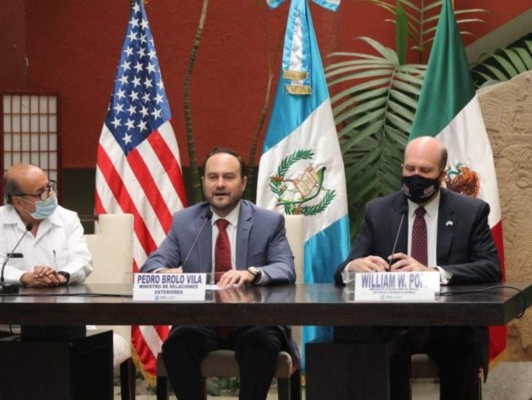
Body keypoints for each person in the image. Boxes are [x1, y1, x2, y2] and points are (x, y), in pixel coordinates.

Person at [335, 136, 501, 400]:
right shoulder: (378, 211)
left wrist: (434, 273)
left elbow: (490, 268)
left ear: (442, 175)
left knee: (465, 347)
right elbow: (343, 270)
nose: (415, 176)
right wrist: (353, 266)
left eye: (425, 170)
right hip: (392, 321)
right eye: (409, 168)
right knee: (363, 341)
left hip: (449, 323)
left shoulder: (470, 212)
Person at [141, 147, 298, 400]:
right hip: (200, 320)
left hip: (253, 320)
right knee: (177, 346)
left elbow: (285, 267)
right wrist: (165, 272)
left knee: (260, 344)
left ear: (243, 183)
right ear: (204, 182)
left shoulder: (268, 222)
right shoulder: (185, 221)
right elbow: (152, 265)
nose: (220, 184)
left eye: (228, 177)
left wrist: (252, 273)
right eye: (213, 177)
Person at [0, 163, 92, 398]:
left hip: (64, 320)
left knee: (68, 377)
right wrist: (25, 277)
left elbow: (83, 261)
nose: (49, 195)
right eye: (41, 192)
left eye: (49, 187)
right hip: (13, 322)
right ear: (18, 202)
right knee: (5, 375)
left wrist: (61, 275)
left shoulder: (67, 218)